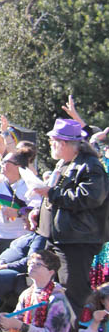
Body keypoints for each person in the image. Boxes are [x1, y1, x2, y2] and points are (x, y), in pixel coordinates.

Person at [29, 118, 109, 316]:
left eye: (52, 141)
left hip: (76, 241)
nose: (50, 146)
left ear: (63, 143)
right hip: (59, 238)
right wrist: (39, 214)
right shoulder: (65, 164)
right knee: (52, 290)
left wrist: (51, 194)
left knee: (73, 293)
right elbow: (58, 198)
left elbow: (90, 198)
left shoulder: (90, 166)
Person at [0, 231, 48, 330]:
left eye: (24, 215)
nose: (24, 218)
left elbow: (30, 262)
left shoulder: (39, 238)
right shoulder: (27, 235)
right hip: (3, 270)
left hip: (16, 275)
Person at [0, 151, 33, 267]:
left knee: (6, 278)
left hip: (16, 239)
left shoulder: (29, 186)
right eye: (2, 161)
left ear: (18, 166)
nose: (2, 164)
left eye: (6, 162)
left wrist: (18, 212)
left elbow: (37, 212)